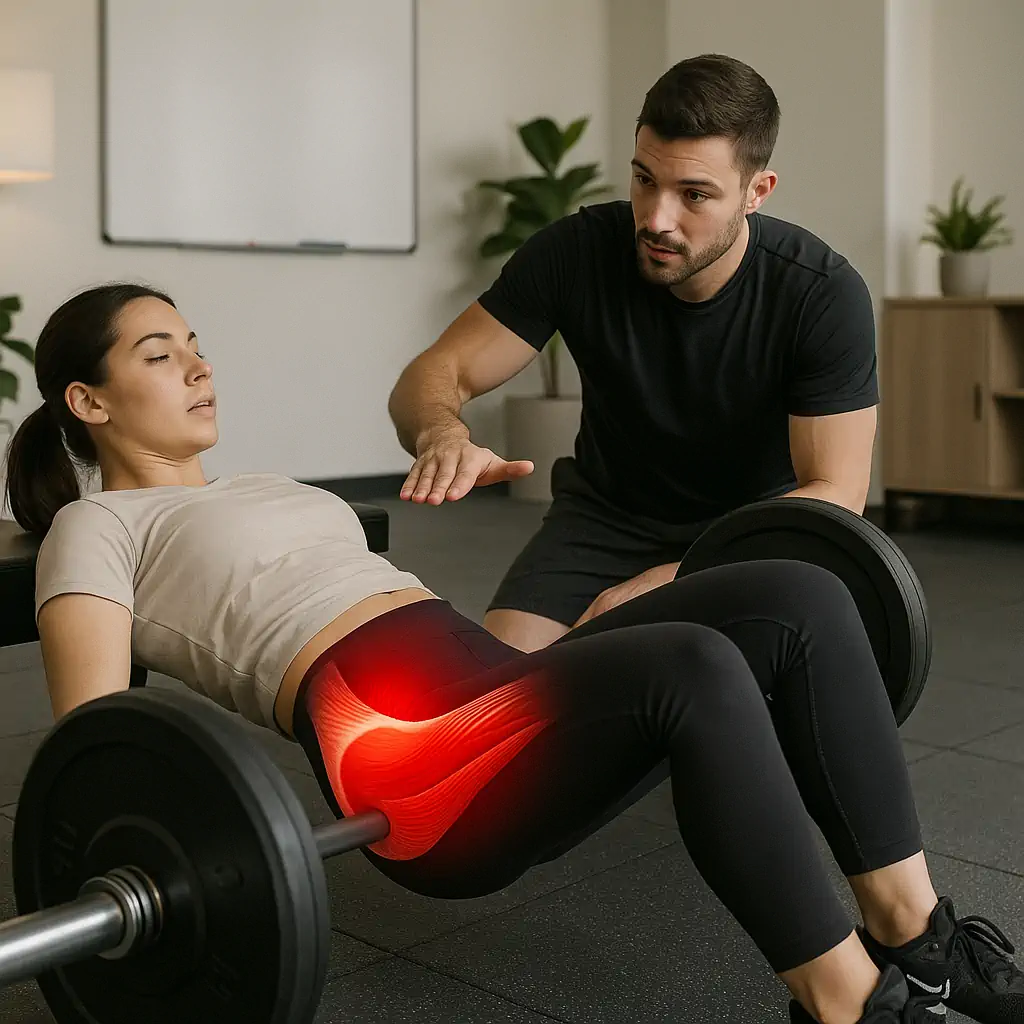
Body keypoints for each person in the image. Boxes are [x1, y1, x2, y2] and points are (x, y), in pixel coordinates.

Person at [5, 284, 1021, 1024]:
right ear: (87, 403)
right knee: (694, 666)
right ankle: (846, 1006)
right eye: (155, 352)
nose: (197, 364)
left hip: (488, 685)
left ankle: (915, 937)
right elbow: (97, 746)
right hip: (407, 755)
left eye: (194, 340)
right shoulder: (97, 531)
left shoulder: (264, 486)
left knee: (800, 590)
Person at [388, 53, 881, 654]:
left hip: (750, 534)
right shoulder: (576, 253)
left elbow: (838, 490)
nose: (656, 219)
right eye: (645, 179)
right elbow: (436, 373)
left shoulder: (819, 292)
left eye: (694, 195)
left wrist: (682, 577)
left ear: (757, 192)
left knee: (711, 704)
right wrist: (441, 432)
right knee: (508, 698)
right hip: (605, 520)